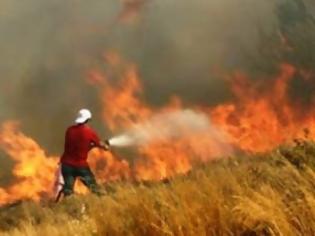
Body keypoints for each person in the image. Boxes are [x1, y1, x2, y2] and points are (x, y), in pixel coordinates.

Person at [58, 109, 109, 198]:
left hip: (66, 165)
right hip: (80, 167)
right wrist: (105, 146)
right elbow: (101, 145)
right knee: (95, 188)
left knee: (68, 192)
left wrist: (91, 145)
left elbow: (77, 146)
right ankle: (103, 203)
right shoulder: (89, 132)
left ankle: (67, 208)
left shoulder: (69, 130)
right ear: (87, 120)